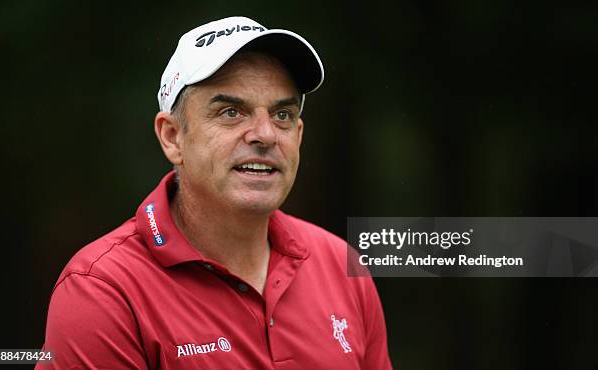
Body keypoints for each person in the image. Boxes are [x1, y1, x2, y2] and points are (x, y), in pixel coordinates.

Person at [37, 16, 392, 369]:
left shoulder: (340, 265)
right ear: (172, 137)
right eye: (231, 111)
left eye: (282, 114)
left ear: (298, 135)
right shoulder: (103, 290)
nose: (265, 134)